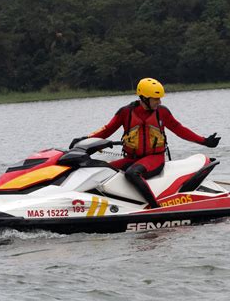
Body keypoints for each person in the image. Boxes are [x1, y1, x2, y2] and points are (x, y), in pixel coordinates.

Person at [69, 78, 221, 208]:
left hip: (154, 158)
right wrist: (84, 140)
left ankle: (155, 208)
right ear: (144, 98)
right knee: (101, 169)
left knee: (132, 173)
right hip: (132, 158)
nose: (159, 102)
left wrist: (205, 141)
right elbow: (106, 130)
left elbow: (180, 129)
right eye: (156, 99)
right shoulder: (125, 112)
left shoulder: (162, 112)